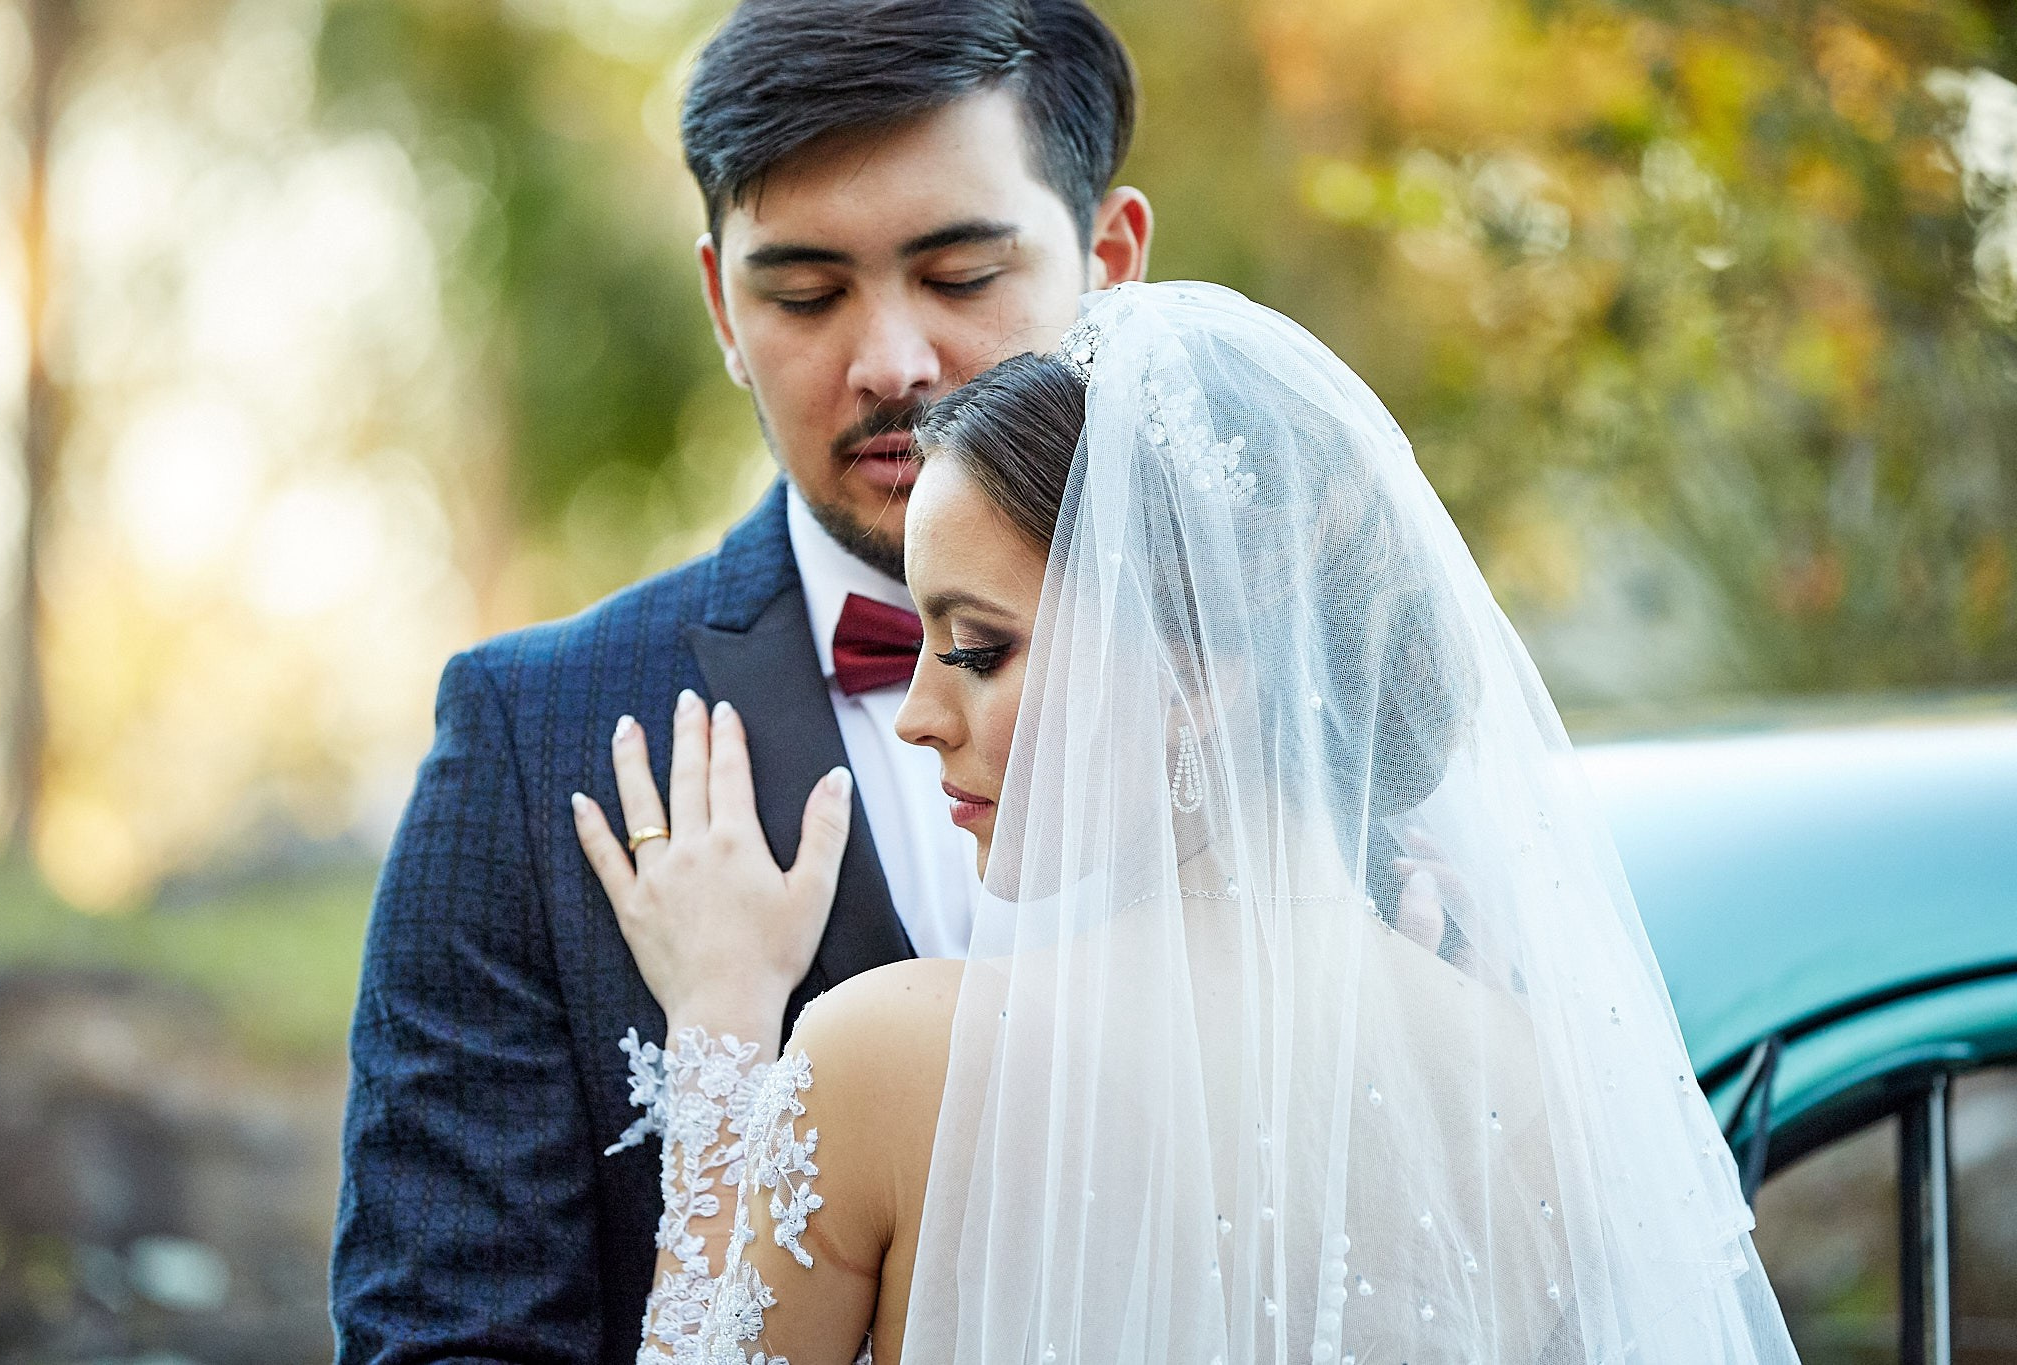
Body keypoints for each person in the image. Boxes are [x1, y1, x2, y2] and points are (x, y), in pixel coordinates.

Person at [574, 282, 1804, 1363]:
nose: (919, 717)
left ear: (1203, 672)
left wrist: (723, 1027)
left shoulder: (888, 1063)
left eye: (974, 648)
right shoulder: (1538, 1093)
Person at [328, 2, 1153, 1361]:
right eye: (807, 292)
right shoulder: (537, 740)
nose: (892, 363)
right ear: (721, 301)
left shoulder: (1308, 735)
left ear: (1110, 262)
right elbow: (445, 1332)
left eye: (959, 277)